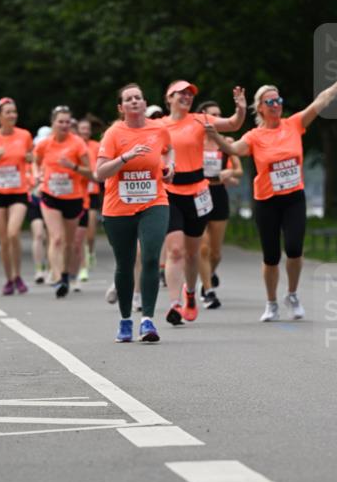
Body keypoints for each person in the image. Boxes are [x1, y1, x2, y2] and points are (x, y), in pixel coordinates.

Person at [205, 55, 337, 322]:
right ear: (261, 108)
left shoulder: (294, 124)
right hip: (266, 200)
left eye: (279, 100)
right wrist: (214, 134)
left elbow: (320, 101)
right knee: (271, 256)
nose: (276, 105)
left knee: (295, 247)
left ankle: (293, 294)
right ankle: (272, 302)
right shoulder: (254, 136)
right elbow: (231, 149)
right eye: (270, 102)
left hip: (293, 198)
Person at [95, 82, 175, 343]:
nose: (134, 102)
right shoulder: (113, 134)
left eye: (138, 98)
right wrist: (125, 157)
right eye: (128, 99)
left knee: (151, 256)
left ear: (143, 103)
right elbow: (101, 172)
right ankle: (126, 319)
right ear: (121, 107)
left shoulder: (158, 129)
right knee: (125, 264)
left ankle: (148, 320)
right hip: (118, 207)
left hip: (154, 202)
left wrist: (169, 167)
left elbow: (168, 149)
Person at [162, 80, 246, 324]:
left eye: (190, 94)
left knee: (192, 253)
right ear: (169, 98)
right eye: (181, 94)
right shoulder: (158, 125)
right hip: (169, 191)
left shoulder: (200, 120)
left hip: (198, 191)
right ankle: (175, 305)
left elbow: (233, 124)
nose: (187, 97)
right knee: (175, 250)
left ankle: (190, 293)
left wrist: (240, 108)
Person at [34, 106, 92, 298]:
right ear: (53, 123)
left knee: (68, 242)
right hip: (50, 195)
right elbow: (35, 162)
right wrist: (38, 176)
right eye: (61, 121)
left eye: (68, 122)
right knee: (56, 238)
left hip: (73, 198)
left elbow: (90, 172)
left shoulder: (77, 144)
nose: (65, 125)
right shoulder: (44, 144)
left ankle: (66, 274)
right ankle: (58, 277)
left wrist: (72, 166)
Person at [0, 97, 34, 295]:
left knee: (13, 233)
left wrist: (31, 159)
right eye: (8, 112)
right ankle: (9, 278)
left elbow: (33, 158)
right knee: (4, 239)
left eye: (14, 111)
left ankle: (18, 275)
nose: (12, 115)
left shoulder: (25, 135)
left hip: (18, 191)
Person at [196, 99, 243, 308]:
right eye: (212, 114)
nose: (216, 118)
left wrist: (229, 172)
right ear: (202, 117)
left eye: (219, 114)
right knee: (203, 248)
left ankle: (209, 274)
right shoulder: (193, 141)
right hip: (197, 193)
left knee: (215, 252)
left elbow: (239, 170)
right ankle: (208, 290)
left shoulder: (225, 141)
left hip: (218, 193)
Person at [77, 118, 101, 276]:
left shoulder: (96, 146)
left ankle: (90, 252)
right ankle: (82, 265)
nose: (85, 131)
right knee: (80, 232)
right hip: (78, 192)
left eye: (87, 129)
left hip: (93, 192)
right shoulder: (75, 145)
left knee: (91, 232)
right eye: (82, 128)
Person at [29, 126, 52, 283]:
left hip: (51, 199)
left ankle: (52, 268)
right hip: (35, 200)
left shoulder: (54, 158)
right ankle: (39, 269)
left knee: (51, 236)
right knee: (38, 234)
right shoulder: (31, 161)